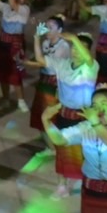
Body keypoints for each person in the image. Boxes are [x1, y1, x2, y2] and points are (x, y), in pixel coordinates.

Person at [44, 31, 100, 200]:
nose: (76, 50)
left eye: (81, 47)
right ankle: (61, 185)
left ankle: (83, 182)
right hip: (63, 114)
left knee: (83, 152)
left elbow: (88, 60)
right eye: (74, 47)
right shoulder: (65, 65)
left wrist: (74, 39)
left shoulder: (91, 68)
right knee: (62, 151)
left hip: (82, 117)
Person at [0, 0, 30, 111]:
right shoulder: (6, 7)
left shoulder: (24, 10)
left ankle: (21, 101)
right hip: (3, 42)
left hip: (16, 45)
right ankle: (6, 98)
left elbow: (13, 4)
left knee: (16, 73)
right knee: (2, 73)